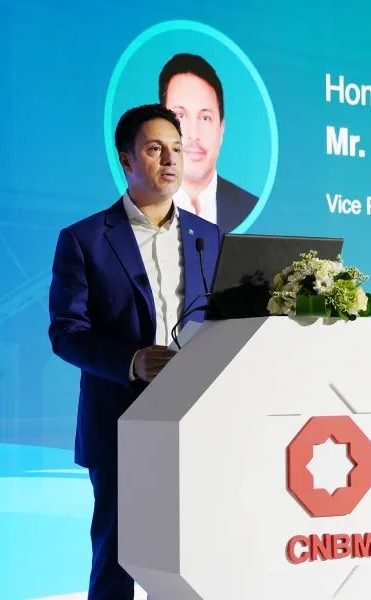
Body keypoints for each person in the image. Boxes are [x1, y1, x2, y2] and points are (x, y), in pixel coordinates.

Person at [48, 103, 221, 599]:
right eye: (154, 149)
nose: (170, 160)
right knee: (118, 564)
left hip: (195, 422)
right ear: (126, 160)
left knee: (193, 561)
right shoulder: (85, 239)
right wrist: (131, 361)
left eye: (176, 149)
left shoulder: (208, 238)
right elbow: (66, 332)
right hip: (119, 424)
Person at [159, 53, 258, 233]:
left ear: (221, 129)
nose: (194, 134)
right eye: (180, 116)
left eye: (205, 118)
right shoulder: (137, 210)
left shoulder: (250, 208)